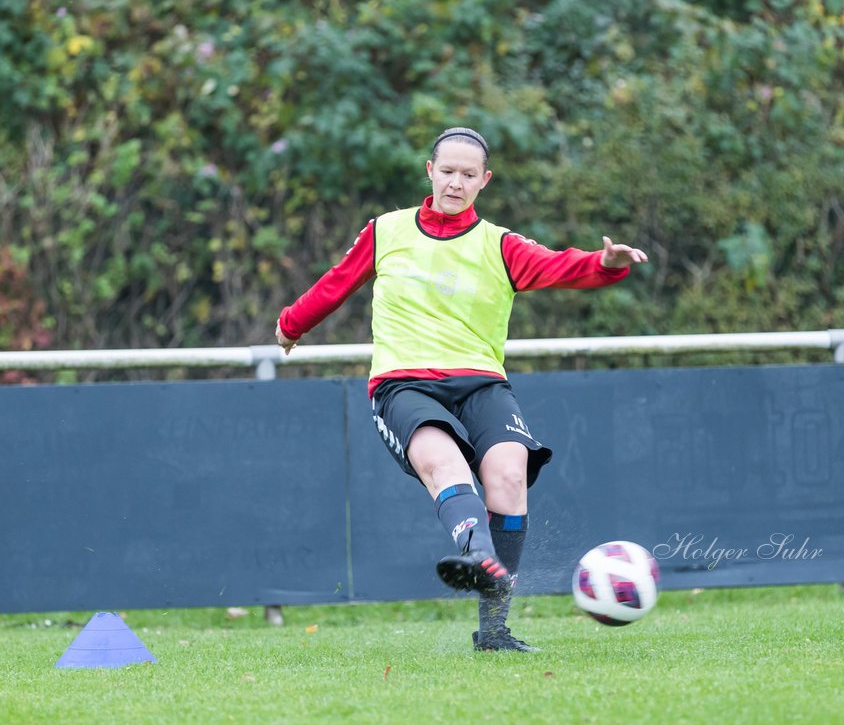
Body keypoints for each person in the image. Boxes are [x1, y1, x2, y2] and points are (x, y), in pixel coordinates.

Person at [275, 126, 648, 652]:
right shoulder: (388, 231)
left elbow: (559, 266)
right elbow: (337, 282)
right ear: (429, 171)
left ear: (484, 181)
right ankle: (476, 553)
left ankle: (494, 632)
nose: (455, 183)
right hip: (404, 384)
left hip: (480, 383)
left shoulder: (500, 244)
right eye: (447, 171)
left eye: (467, 175)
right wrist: (291, 324)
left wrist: (604, 265)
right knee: (444, 465)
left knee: (508, 474)